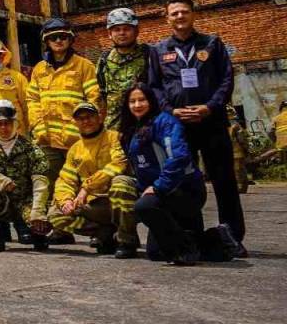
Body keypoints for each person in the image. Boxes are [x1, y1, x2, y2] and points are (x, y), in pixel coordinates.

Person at [147, 0, 245, 254]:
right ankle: (191, 235)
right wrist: (170, 110)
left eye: (184, 12)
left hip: (211, 122)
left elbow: (226, 80)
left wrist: (209, 107)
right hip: (178, 127)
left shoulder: (212, 44)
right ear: (166, 18)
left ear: (193, 15)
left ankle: (232, 236)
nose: (180, 17)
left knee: (224, 180)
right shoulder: (158, 51)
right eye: (174, 13)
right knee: (183, 182)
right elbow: (154, 86)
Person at [25, 17, 99, 243]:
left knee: (87, 185)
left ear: (70, 39)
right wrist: (38, 127)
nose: (58, 41)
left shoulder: (84, 66)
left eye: (63, 37)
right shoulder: (39, 69)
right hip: (48, 140)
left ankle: (98, 230)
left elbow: (94, 99)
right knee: (52, 184)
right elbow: (32, 99)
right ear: (46, 42)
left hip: (78, 141)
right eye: (53, 38)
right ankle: (61, 230)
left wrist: (88, 130)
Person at [118, 84, 207, 265]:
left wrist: (158, 187)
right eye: (132, 101)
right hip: (162, 196)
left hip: (183, 190)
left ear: (151, 100)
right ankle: (195, 238)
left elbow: (178, 157)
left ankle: (186, 249)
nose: (137, 105)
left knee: (143, 207)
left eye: (142, 100)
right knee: (155, 253)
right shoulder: (132, 129)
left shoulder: (164, 122)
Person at [46, 102, 139, 258]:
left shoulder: (115, 137)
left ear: (100, 117)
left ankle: (127, 240)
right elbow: (65, 180)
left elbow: (119, 164)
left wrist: (86, 188)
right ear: (75, 122)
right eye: (80, 118)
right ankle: (105, 232)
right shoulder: (75, 148)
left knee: (121, 183)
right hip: (93, 206)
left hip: (116, 200)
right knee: (55, 214)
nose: (85, 121)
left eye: (89, 116)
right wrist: (65, 201)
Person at [0, 100, 52, 252]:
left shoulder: (31, 149)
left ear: (15, 123)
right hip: (0, 201)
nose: (3, 128)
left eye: (7, 123)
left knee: (38, 230)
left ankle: (36, 234)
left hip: (26, 201)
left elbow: (40, 182)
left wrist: (38, 210)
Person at [96, 8, 150, 131]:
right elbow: (101, 96)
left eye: (127, 29)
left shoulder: (148, 55)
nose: (122, 33)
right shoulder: (104, 60)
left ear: (136, 31)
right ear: (109, 34)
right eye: (117, 29)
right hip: (114, 129)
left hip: (144, 126)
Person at [229, 107, 250, 194]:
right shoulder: (236, 126)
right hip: (237, 152)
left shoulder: (219, 125)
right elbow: (242, 139)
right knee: (239, 170)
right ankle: (241, 188)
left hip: (226, 152)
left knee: (233, 170)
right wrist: (246, 149)